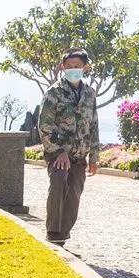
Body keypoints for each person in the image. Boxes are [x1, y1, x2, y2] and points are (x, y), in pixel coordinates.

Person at [38, 48, 99, 244]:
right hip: (57, 153)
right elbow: (44, 125)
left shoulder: (89, 94)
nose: (73, 70)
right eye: (69, 66)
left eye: (77, 66)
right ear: (63, 67)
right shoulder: (53, 93)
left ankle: (62, 235)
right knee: (59, 184)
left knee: (74, 194)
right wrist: (58, 152)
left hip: (80, 154)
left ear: (85, 68)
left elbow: (94, 125)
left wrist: (94, 157)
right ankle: (53, 234)